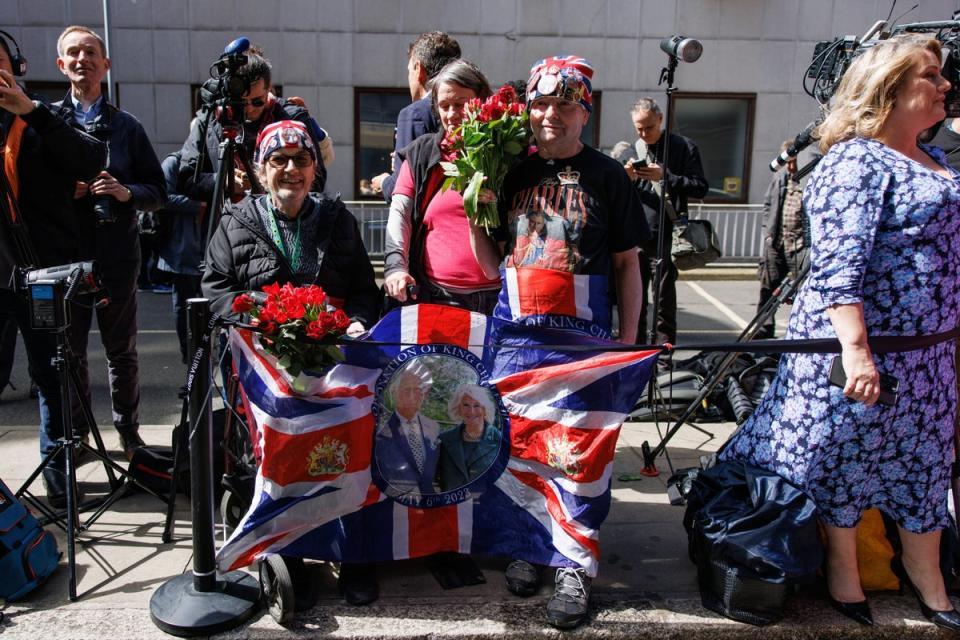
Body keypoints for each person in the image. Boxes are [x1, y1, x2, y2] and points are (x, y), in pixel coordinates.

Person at [720, 35, 960, 631]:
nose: (947, 85)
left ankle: (930, 581)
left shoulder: (940, 159)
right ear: (891, 90)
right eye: (932, 76)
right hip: (861, 355)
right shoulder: (857, 160)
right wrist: (856, 350)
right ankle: (844, 577)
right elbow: (837, 268)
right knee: (846, 467)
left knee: (926, 465)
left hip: (928, 356)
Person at [470, 55, 647, 629]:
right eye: (540, 104)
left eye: (562, 104)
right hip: (517, 335)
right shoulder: (510, 171)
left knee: (579, 456)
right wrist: (474, 212)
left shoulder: (608, 176)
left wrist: (626, 342)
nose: (549, 115)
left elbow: (627, 264)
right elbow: (492, 262)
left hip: (583, 341)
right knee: (519, 447)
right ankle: (528, 545)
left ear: (584, 112)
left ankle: (573, 561)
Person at [0, 31, 106, 505]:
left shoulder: (42, 117)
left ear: (17, 67)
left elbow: (89, 158)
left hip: (39, 273)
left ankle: (61, 486)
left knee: (51, 376)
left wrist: (30, 111)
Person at [51, 26, 166, 461]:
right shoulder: (47, 123)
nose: (83, 59)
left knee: (123, 353)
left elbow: (158, 191)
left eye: (91, 52)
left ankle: (129, 433)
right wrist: (69, 192)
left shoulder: (127, 127)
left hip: (117, 257)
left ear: (106, 64)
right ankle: (79, 435)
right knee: (72, 353)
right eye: (73, 53)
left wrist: (125, 193)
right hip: (66, 259)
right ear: (61, 65)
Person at [201, 120, 378, 330]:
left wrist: (355, 321)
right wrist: (257, 322)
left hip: (331, 351)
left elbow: (364, 291)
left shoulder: (340, 220)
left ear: (314, 170)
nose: (291, 169)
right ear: (262, 171)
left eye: (302, 160)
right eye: (279, 159)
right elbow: (218, 293)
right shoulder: (234, 223)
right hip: (256, 351)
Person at [383, 59, 501, 313]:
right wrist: (396, 267)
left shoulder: (503, 154)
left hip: (499, 299)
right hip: (438, 297)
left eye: (460, 104)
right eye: (444, 106)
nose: (451, 114)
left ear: (481, 101)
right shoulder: (422, 153)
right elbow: (400, 214)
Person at [179, 46, 334, 203]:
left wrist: (268, 180)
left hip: (278, 222)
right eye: (241, 102)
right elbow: (186, 179)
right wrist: (222, 181)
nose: (250, 108)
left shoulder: (292, 117)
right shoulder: (211, 118)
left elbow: (317, 180)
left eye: (258, 101)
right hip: (225, 221)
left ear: (269, 89)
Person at [624, 98, 708, 346]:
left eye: (648, 127)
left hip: (667, 236)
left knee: (664, 303)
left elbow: (700, 187)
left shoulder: (682, 147)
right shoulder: (632, 150)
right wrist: (625, 178)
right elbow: (616, 197)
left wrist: (666, 177)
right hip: (636, 237)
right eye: (638, 128)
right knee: (634, 303)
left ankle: (663, 357)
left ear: (660, 120)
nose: (643, 133)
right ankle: (635, 353)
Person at [370, 31, 461, 201]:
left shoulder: (414, 114)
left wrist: (384, 182)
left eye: (409, 71)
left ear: (418, 69)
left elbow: (403, 189)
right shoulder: (473, 110)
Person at [755, 139, 809, 338]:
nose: (792, 166)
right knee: (768, 290)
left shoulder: (809, 178)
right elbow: (768, 205)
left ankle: (799, 333)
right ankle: (763, 330)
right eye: (788, 162)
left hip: (799, 246)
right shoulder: (780, 178)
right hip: (777, 243)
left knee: (802, 292)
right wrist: (768, 234)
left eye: (795, 161)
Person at [155, 150, 204, 365]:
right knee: (183, 306)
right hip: (180, 248)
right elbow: (161, 197)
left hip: (206, 247)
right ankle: (189, 352)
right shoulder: (173, 162)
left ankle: (204, 352)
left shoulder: (214, 163)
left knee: (211, 306)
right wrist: (198, 205)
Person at [374, 368, 441, 496]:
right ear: (395, 392)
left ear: (424, 394)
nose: (412, 396)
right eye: (406, 390)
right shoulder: (381, 430)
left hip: (429, 501)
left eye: (417, 390)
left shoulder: (433, 427)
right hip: (396, 502)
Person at [436, 383, 501, 491]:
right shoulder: (444, 440)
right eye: (466, 405)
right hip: (452, 506)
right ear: (459, 408)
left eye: (477, 405)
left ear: (485, 410)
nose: (471, 411)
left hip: (487, 506)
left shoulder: (501, 441)